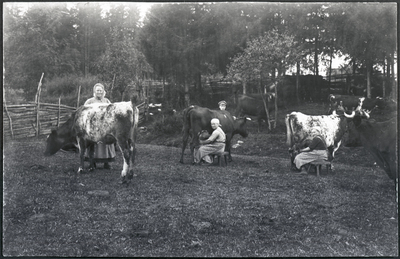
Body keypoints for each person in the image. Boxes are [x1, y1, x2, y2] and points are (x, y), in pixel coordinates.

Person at [84, 83, 116, 169]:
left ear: (103, 91)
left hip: (105, 126)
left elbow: (112, 111)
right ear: (94, 91)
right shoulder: (89, 101)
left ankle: (107, 162)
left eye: (101, 90)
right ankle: (92, 162)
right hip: (93, 126)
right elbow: (84, 112)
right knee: (93, 144)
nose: (99, 92)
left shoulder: (106, 101)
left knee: (106, 143)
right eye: (97, 90)